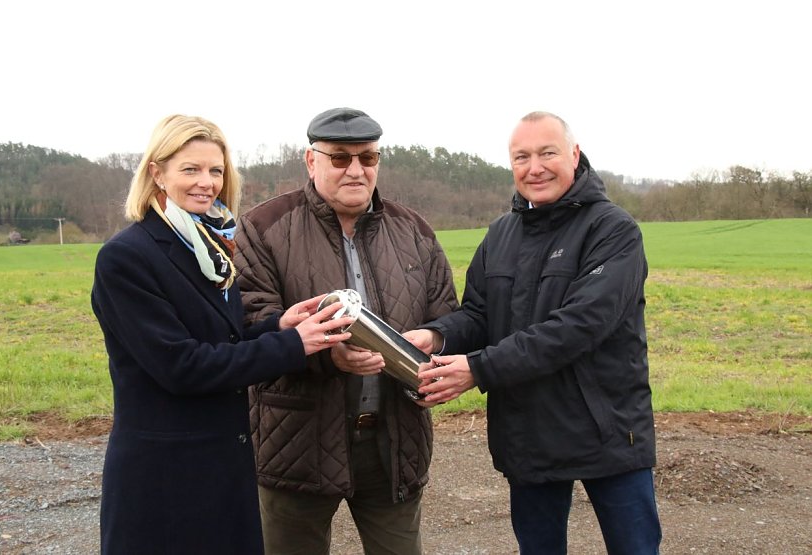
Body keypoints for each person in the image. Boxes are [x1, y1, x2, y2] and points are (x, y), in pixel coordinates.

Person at [90, 114, 354, 554]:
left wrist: (277, 325)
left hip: (222, 465)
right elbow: (182, 366)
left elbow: (225, 341)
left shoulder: (209, 248)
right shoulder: (126, 258)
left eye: (215, 170)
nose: (206, 182)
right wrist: (292, 344)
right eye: (190, 169)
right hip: (164, 476)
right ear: (157, 172)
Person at [408, 112, 662, 554]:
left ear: (574, 155)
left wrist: (478, 369)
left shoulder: (613, 229)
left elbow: (578, 327)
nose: (535, 167)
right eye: (521, 157)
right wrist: (436, 337)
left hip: (606, 431)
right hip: (528, 433)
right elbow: (478, 316)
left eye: (547, 153)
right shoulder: (501, 234)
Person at [234, 107, 458, 554]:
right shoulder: (262, 228)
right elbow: (251, 326)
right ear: (310, 160)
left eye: (368, 158)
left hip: (394, 442)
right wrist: (326, 356)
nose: (355, 170)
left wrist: (434, 337)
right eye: (339, 158)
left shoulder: (413, 230)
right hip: (297, 442)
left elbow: (449, 313)